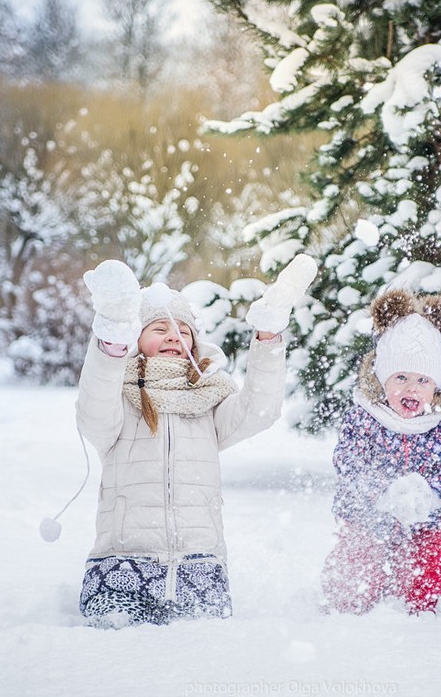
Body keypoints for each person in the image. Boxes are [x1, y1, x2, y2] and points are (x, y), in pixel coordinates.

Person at [75, 256, 316, 628]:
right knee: (123, 650)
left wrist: (267, 337)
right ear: (136, 338)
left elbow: (259, 412)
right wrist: (111, 337)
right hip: (124, 561)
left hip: (199, 566)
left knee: (198, 650)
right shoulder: (119, 397)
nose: (173, 335)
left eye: (183, 331)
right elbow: (92, 411)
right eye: (159, 327)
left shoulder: (207, 399)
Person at [320, 288, 441, 615]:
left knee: (426, 569)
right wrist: (383, 490)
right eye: (400, 377)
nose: (411, 388)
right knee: (355, 571)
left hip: (421, 525)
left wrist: (431, 493)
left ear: (436, 386)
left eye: (422, 379)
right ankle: (347, 609)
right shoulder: (365, 419)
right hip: (367, 522)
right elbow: (350, 464)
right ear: (381, 379)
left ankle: (418, 613)